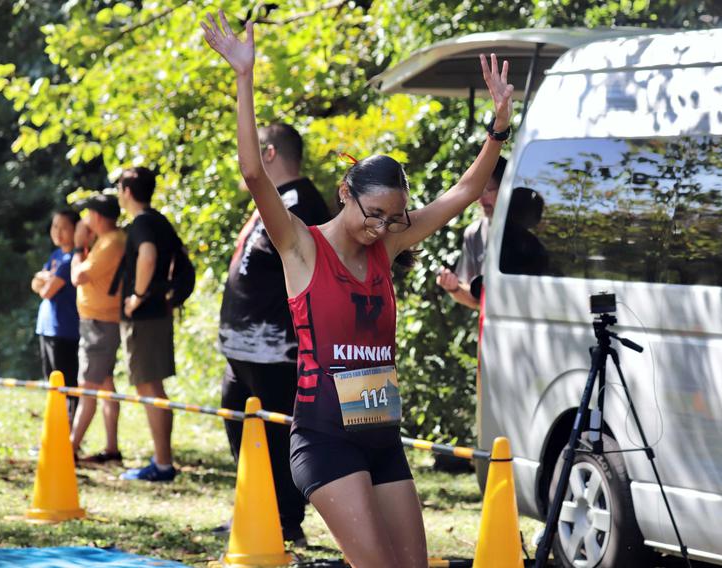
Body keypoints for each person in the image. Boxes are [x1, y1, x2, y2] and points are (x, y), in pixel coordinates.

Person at [202, 11, 513, 566]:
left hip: (381, 435)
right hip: (325, 440)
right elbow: (253, 172)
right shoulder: (301, 246)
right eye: (374, 215)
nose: (383, 228)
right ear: (346, 193)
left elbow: (465, 191)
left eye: (395, 219)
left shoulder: (387, 245)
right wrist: (244, 77)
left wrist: (498, 128)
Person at [218, 123, 332, 543]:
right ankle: (253, 511)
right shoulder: (275, 199)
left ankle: (285, 522)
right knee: (241, 427)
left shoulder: (302, 202)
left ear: (268, 154)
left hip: (278, 351)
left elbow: (312, 272)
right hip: (245, 351)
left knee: (277, 434)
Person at [115, 167, 180, 482]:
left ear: (127, 191)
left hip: (146, 316)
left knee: (149, 386)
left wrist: (137, 296)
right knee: (153, 386)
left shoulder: (142, 223)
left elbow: (148, 256)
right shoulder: (159, 220)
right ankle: (162, 459)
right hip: (160, 312)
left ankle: (163, 463)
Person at [70, 194, 126, 464]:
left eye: (88, 214)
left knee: (88, 387)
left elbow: (78, 276)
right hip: (99, 322)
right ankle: (112, 448)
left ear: (99, 217)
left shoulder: (111, 243)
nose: (85, 219)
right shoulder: (106, 242)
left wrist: (77, 248)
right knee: (104, 385)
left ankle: (70, 447)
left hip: (100, 324)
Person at [435, 156, 506, 310]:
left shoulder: (534, 228)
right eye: (477, 192)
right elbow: (476, 300)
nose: (480, 199)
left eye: (487, 190)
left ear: (506, 186)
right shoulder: (475, 234)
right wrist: (454, 288)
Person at [31, 209, 81, 422]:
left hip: (65, 330)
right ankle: (53, 432)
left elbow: (46, 291)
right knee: (50, 383)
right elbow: (35, 284)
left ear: (75, 229)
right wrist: (44, 278)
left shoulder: (73, 258)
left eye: (64, 227)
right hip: (46, 327)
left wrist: (44, 280)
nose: (58, 232)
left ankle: (68, 437)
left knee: (67, 386)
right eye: (54, 226)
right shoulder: (56, 255)